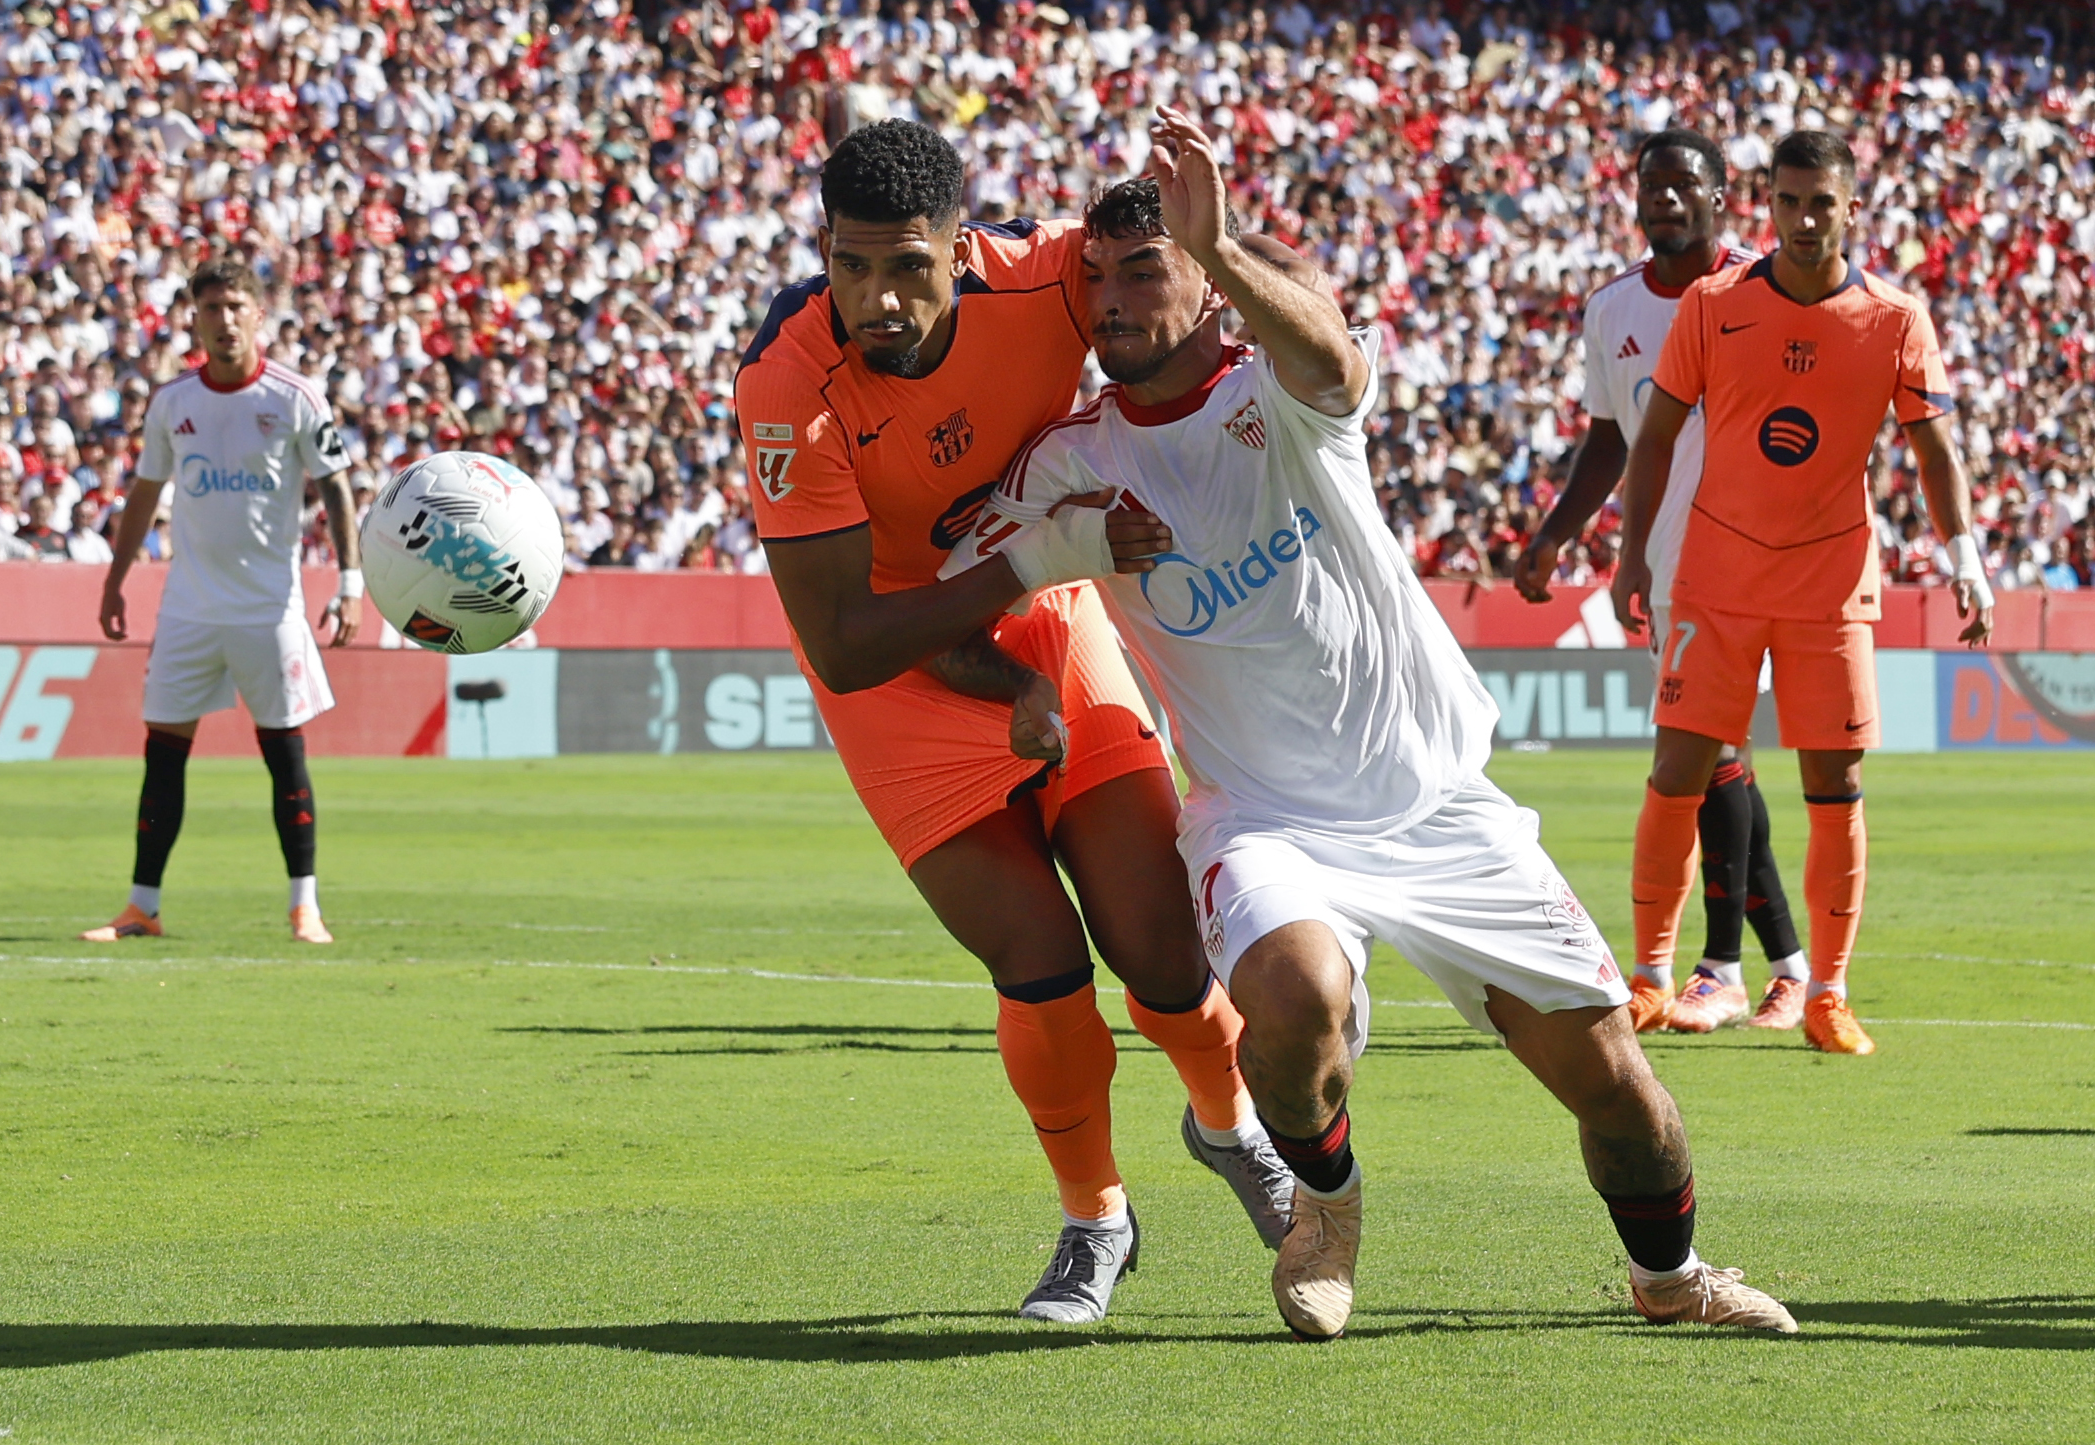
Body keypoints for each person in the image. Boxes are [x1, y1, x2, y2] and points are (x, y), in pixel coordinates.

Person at [949, 111, 1796, 1342]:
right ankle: (1326, 1209)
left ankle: (1669, 1279)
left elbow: (1335, 359)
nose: (1112, 302)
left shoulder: (1280, 395)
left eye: (1145, 272)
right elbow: (957, 597)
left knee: (1619, 1089)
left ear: (1205, 284)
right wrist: (1015, 685)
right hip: (1266, 817)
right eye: (1095, 281)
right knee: (1288, 1002)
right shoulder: (1065, 462)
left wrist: (1227, 244)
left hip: (1438, 804)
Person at [732, 118, 1294, 1325]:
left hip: (1053, 614)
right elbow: (842, 639)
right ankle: (1095, 1217)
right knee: (1038, 964)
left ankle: (1229, 1125)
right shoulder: (785, 387)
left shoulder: (1051, 274)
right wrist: (1044, 552)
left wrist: (1221, 267)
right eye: (849, 266)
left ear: (962, 247)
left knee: (1159, 950)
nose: (877, 299)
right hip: (894, 675)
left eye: (907, 267)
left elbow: (1186, 301)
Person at [1609, 131, 1995, 1057]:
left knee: (1837, 784)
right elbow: (1654, 437)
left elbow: (1934, 448)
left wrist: (1966, 556)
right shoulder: (1713, 306)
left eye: (1822, 202)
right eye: (1789, 202)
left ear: (1851, 208)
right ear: (1768, 207)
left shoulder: (1896, 319)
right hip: (1717, 578)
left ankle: (1827, 991)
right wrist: (1631, 559)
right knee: (1677, 773)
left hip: (1830, 584)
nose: (1806, 219)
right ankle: (1653, 978)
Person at [1509, 130, 1810, 1034]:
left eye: (1685, 185)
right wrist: (1560, 533)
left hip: (1758, 559)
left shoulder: (1768, 290)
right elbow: (1610, 437)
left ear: (1723, 196)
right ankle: (1785, 966)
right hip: (1670, 565)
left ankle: (1719, 966)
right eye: (1652, 186)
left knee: (1707, 751)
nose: (1666, 200)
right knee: (1717, 758)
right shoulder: (1613, 310)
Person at [83, 258, 362, 947]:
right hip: (188, 608)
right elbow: (145, 493)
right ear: (196, 318)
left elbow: (336, 487)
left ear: (259, 316)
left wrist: (350, 584)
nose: (225, 319)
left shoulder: (298, 397)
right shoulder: (173, 402)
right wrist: (117, 577)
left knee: (284, 754)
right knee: (163, 755)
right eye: (212, 308)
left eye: (238, 306)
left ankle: (305, 906)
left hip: (269, 609)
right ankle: (141, 906)